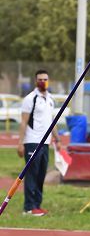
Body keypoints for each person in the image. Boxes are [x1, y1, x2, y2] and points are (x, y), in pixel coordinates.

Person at [17, 69, 61, 216]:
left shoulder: (50, 99)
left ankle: (37, 205)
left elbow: (52, 121)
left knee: (41, 174)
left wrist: (58, 139)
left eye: (45, 79)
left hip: (45, 143)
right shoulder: (30, 99)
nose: (43, 82)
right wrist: (20, 143)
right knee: (32, 174)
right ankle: (29, 207)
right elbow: (23, 122)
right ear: (36, 81)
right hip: (32, 142)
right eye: (40, 79)